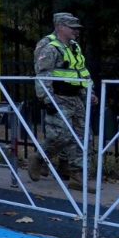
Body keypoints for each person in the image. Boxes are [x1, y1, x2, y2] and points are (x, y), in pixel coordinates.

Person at [29, 12, 96, 191]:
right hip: (58, 97)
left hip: (75, 98)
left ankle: (77, 177)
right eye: (72, 28)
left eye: (77, 28)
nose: (76, 31)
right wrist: (46, 99)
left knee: (84, 138)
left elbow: (81, 72)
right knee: (61, 135)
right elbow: (43, 75)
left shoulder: (74, 47)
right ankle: (40, 158)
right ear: (60, 27)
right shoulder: (50, 47)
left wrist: (89, 92)